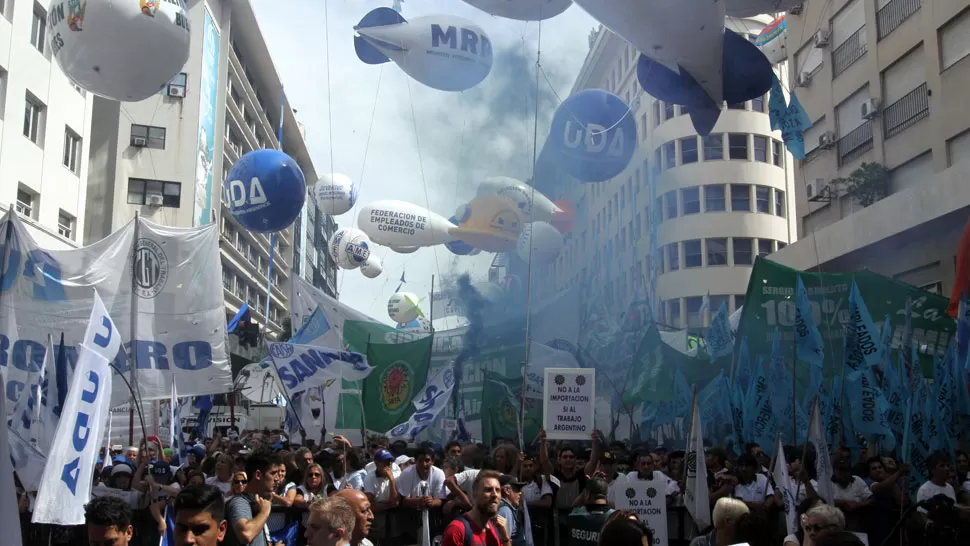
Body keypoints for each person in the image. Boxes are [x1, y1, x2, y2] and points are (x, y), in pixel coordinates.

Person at [224, 453, 284, 546]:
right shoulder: (239, 502)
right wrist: (264, 512)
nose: (277, 479)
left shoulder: (258, 504)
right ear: (258, 475)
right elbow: (245, 534)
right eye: (272, 473)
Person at [441, 470, 512, 546]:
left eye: (498, 490)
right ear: (474, 495)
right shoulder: (457, 530)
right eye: (488, 490)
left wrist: (506, 539)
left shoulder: (494, 530)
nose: (495, 495)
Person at [567, 477, 614, 546]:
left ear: (587, 494)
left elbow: (574, 505)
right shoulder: (614, 518)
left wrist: (588, 488)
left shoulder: (574, 516)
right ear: (606, 497)